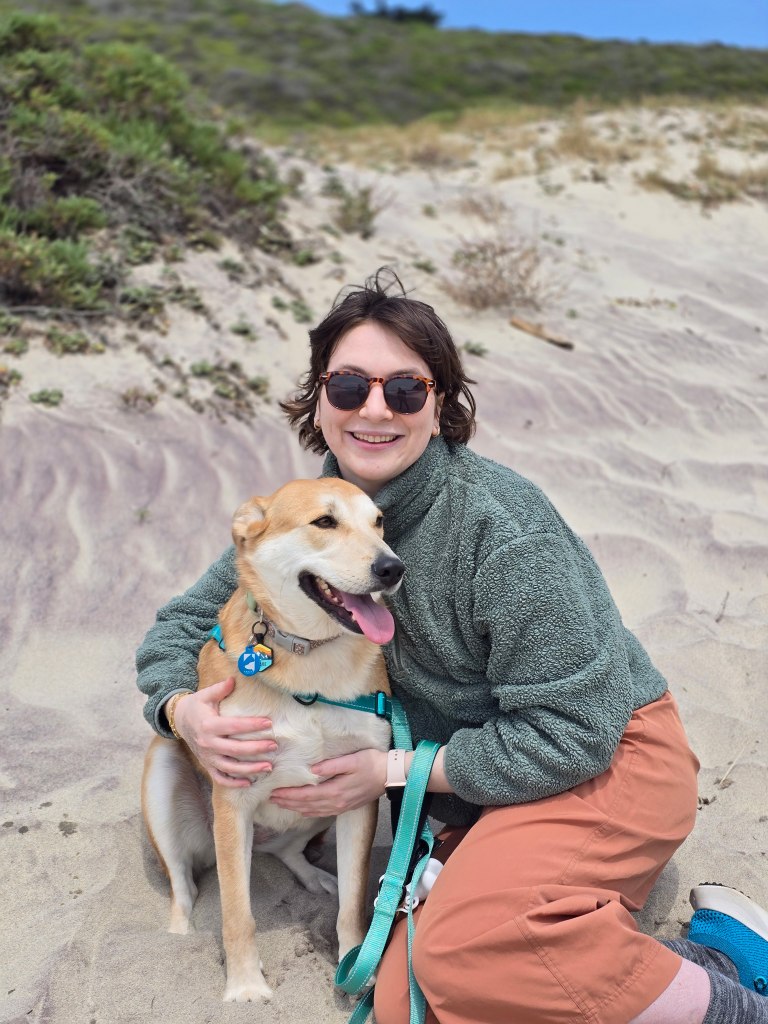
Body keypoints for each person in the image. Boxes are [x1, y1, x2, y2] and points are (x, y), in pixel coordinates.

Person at [136, 269, 768, 1024]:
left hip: (608, 755)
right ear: (319, 402)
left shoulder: (502, 529)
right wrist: (182, 711)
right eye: (348, 388)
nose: (375, 409)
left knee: (470, 951)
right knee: (413, 995)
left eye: (405, 390)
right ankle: (699, 948)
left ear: (439, 407)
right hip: (472, 783)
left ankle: (732, 997)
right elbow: (183, 624)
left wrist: (389, 770)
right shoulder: (312, 519)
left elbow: (575, 734)